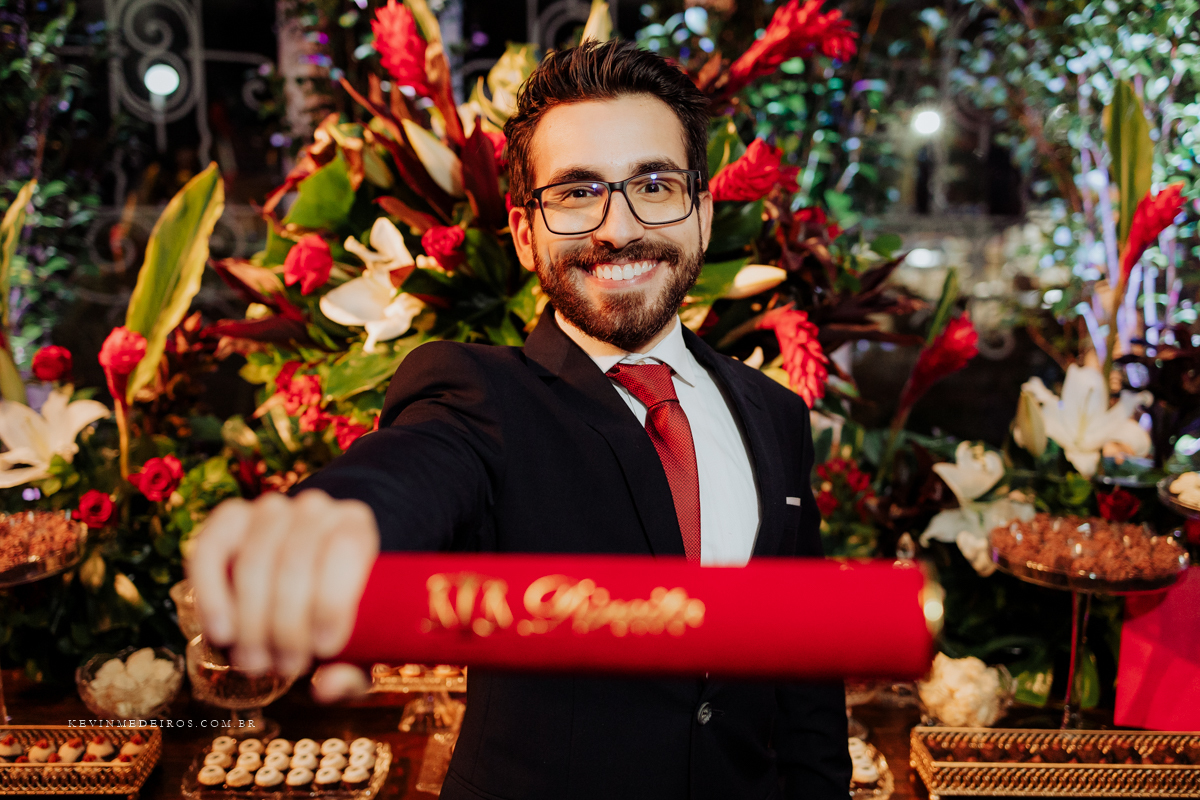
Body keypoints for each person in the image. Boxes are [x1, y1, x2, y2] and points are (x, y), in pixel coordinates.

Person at [189, 39, 851, 800]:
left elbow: (807, 672)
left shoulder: (774, 413)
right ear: (525, 232)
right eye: (575, 192)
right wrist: (340, 522)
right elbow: (415, 468)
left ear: (700, 214)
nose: (617, 227)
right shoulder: (480, 396)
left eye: (654, 184)